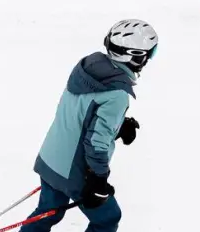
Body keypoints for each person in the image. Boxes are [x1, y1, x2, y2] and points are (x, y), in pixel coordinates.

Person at [25, 19, 158, 231]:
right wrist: (98, 179)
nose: (150, 59)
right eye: (151, 53)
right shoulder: (117, 94)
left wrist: (118, 125)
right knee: (108, 218)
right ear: (136, 56)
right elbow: (97, 143)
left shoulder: (88, 69)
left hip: (51, 158)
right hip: (74, 169)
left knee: (48, 212)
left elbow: (82, 114)